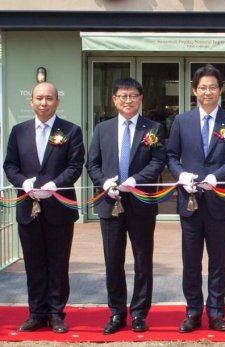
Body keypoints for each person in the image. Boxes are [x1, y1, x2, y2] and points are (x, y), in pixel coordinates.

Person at [167, 64, 225, 333]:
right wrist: (181, 175)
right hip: (189, 201)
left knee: (218, 261)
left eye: (213, 87)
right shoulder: (181, 121)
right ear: (194, 90)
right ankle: (192, 311)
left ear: (221, 90)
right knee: (191, 261)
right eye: (203, 87)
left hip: (218, 201)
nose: (207, 92)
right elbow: (170, 156)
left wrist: (217, 176)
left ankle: (216, 311)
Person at [86, 78, 166, 334]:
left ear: (140, 98)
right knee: (113, 261)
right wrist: (103, 182)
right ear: (114, 99)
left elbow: (157, 162)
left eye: (132, 95)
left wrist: (135, 180)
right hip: (110, 203)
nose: (128, 100)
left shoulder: (152, 128)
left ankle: (140, 313)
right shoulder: (102, 129)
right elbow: (93, 163)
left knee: (143, 260)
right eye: (123, 96)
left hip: (141, 203)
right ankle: (117, 312)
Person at [4, 82, 84, 334]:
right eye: (39, 98)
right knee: (34, 264)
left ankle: (56, 313)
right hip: (28, 208)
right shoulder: (19, 131)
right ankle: (36, 313)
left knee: (58, 263)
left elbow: (75, 166)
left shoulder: (71, 131)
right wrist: (22, 182)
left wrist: (54, 184)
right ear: (31, 101)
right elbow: (10, 166)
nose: (44, 103)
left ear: (57, 102)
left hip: (59, 208)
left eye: (49, 98)